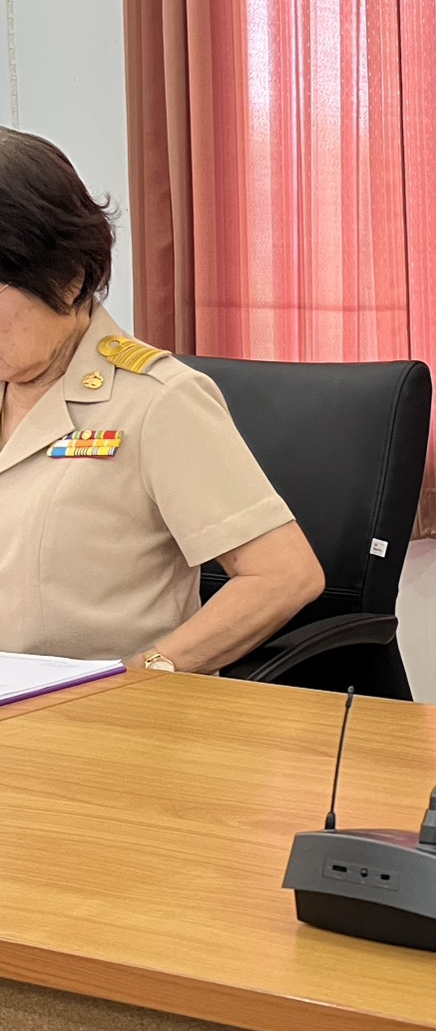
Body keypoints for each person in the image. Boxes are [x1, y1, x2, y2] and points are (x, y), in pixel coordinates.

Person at [0, 126, 324, 672]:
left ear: (67, 276)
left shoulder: (158, 402)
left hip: (87, 709)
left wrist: (139, 676)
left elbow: (284, 574)